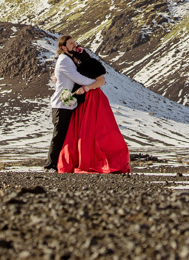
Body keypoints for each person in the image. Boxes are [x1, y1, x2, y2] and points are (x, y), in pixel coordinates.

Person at [56, 39, 131, 174]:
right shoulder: (72, 64)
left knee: (94, 130)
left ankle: (93, 159)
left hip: (92, 98)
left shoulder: (90, 63)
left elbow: (101, 81)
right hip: (83, 100)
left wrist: (86, 88)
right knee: (80, 132)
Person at [44, 34, 101, 172]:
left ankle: (60, 164)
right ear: (63, 48)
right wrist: (96, 83)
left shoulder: (68, 59)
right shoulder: (64, 60)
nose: (74, 45)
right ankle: (50, 165)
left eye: (74, 43)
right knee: (59, 135)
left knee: (66, 135)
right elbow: (77, 78)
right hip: (61, 104)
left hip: (68, 103)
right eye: (70, 44)